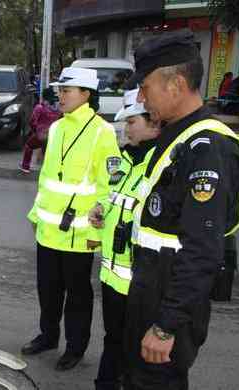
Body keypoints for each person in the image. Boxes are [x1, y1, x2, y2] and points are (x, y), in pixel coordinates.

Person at [123, 30, 239, 390]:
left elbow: (203, 251)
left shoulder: (207, 147)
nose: (142, 99)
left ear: (175, 84)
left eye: (146, 88)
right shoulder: (176, 136)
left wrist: (166, 326)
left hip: (169, 302)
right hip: (150, 290)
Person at [23, 67, 121, 371]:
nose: (60, 95)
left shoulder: (102, 132)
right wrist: (36, 215)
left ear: (86, 94)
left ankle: (75, 347)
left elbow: (110, 185)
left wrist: (97, 228)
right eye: (60, 90)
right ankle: (48, 335)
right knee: (47, 289)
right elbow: (48, 180)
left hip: (79, 234)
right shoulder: (57, 128)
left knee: (77, 295)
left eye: (67, 90)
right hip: (48, 229)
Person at [88, 88, 160, 390]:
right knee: (113, 337)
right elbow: (113, 196)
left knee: (137, 348)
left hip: (141, 282)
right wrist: (100, 209)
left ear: (154, 123)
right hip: (113, 275)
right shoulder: (125, 159)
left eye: (131, 122)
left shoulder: (161, 166)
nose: (125, 128)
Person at [19, 88, 60, 173]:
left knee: (29, 146)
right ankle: (51, 169)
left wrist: (36, 131)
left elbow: (32, 121)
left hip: (41, 135)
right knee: (49, 152)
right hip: (54, 135)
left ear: (44, 96)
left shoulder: (40, 107)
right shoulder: (58, 109)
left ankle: (25, 166)